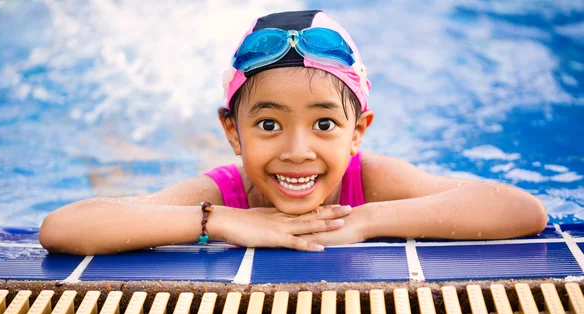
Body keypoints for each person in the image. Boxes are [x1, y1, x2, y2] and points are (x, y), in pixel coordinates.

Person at [39, 10, 548, 255]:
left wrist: (367, 221)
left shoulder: (369, 181)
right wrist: (219, 224)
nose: (297, 151)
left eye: (324, 124)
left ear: (358, 132)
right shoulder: (221, 193)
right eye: (268, 125)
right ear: (233, 134)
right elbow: (62, 230)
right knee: (119, 173)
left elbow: (523, 211)